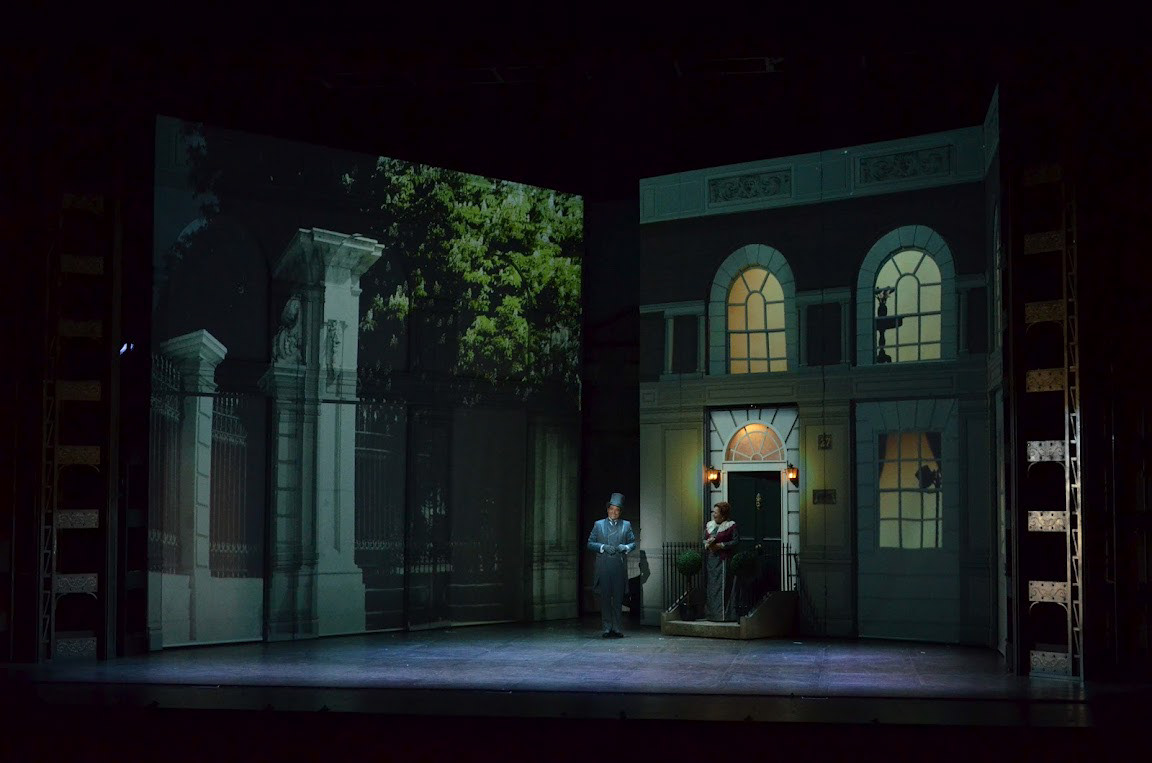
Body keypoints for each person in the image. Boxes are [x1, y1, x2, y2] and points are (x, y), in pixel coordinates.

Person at [587, 492, 636, 638]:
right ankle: (607, 628)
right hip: (604, 566)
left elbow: (633, 543)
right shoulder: (598, 524)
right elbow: (590, 543)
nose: (614, 512)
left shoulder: (626, 525)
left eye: (617, 510)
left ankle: (618, 628)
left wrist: (625, 547)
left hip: (618, 566)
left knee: (618, 599)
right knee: (605, 599)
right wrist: (603, 547)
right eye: (612, 509)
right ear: (608, 509)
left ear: (620, 512)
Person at [703, 501, 738, 622]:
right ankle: (712, 614)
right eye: (713, 512)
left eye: (716, 512)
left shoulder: (730, 526)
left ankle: (723, 615)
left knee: (723, 586)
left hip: (723, 561)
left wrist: (721, 545)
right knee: (712, 587)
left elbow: (735, 541)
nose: (714, 514)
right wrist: (708, 544)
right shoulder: (710, 525)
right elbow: (704, 539)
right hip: (712, 560)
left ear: (723, 515)